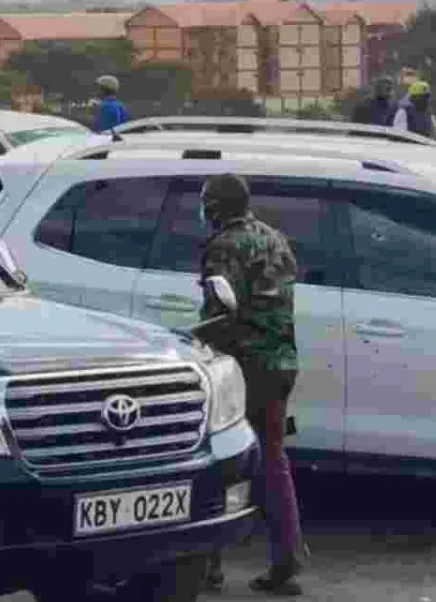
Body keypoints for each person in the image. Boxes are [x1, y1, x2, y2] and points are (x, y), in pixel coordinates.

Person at [196, 173, 305, 597]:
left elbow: (222, 314)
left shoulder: (224, 247)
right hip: (281, 363)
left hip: (242, 366)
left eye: (207, 204)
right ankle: (287, 562)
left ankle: (208, 566)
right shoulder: (275, 238)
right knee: (274, 461)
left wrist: (196, 345)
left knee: (219, 458)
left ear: (217, 207)